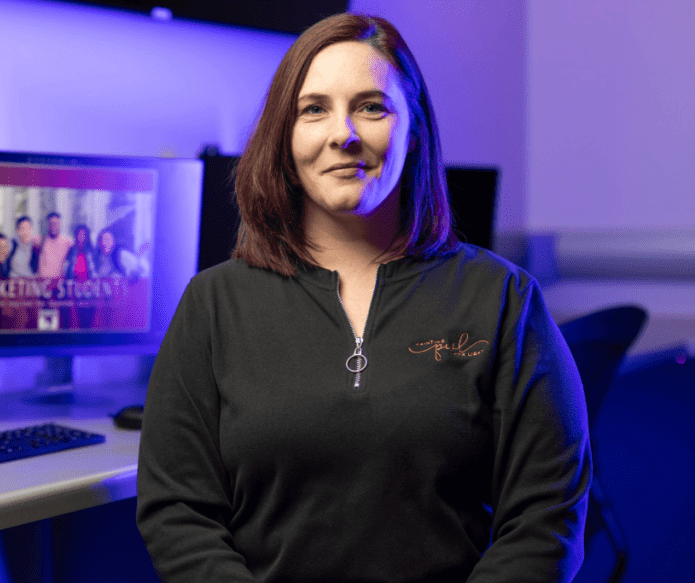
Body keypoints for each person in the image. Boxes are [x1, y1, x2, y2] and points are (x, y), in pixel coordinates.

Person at [137, 13, 591, 583]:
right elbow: (177, 512)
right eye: (314, 109)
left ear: (414, 129)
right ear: (285, 138)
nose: (343, 134)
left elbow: (547, 519)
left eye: (371, 107)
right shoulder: (213, 304)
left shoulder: (502, 299)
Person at [36, 212, 74, 277]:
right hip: (42, 280)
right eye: (51, 223)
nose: (53, 226)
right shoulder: (39, 240)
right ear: (47, 225)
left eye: (56, 223)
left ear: (60, 225)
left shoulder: (67, 241)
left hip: (59, 280)